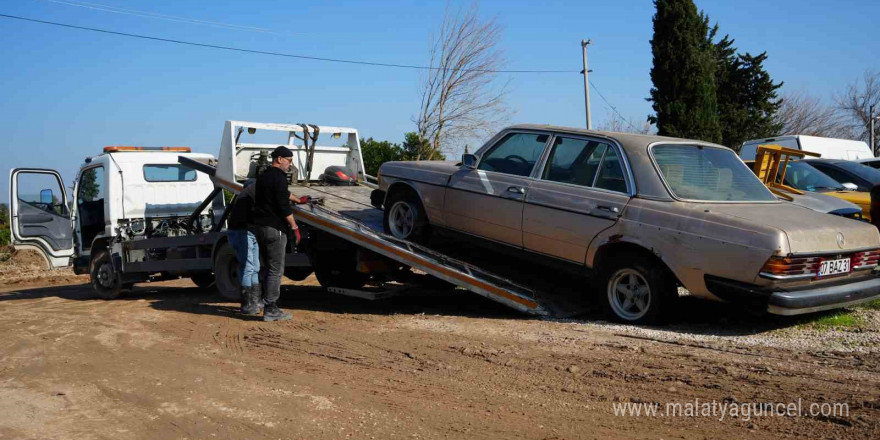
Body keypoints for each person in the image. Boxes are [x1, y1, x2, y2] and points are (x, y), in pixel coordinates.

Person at [250, 146, 309, 322]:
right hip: (275, 229)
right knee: (276, 270)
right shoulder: (280, 177)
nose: (290, 165)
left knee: (264, 268)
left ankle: (258, 302)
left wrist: (298, 199)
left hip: (260, 228)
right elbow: (283, 205)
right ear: (280, 159)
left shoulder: (264, 176)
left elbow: (279, 193)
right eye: (289, 161)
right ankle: (271, 308)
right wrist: (294, 226)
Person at [227, 179, 262, 315]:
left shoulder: (244, 199)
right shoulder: (245, 200)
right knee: (248, 267)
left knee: (255, 267)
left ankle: (255, 300)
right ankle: (247, 303)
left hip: (250, 233)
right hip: (243, 233)